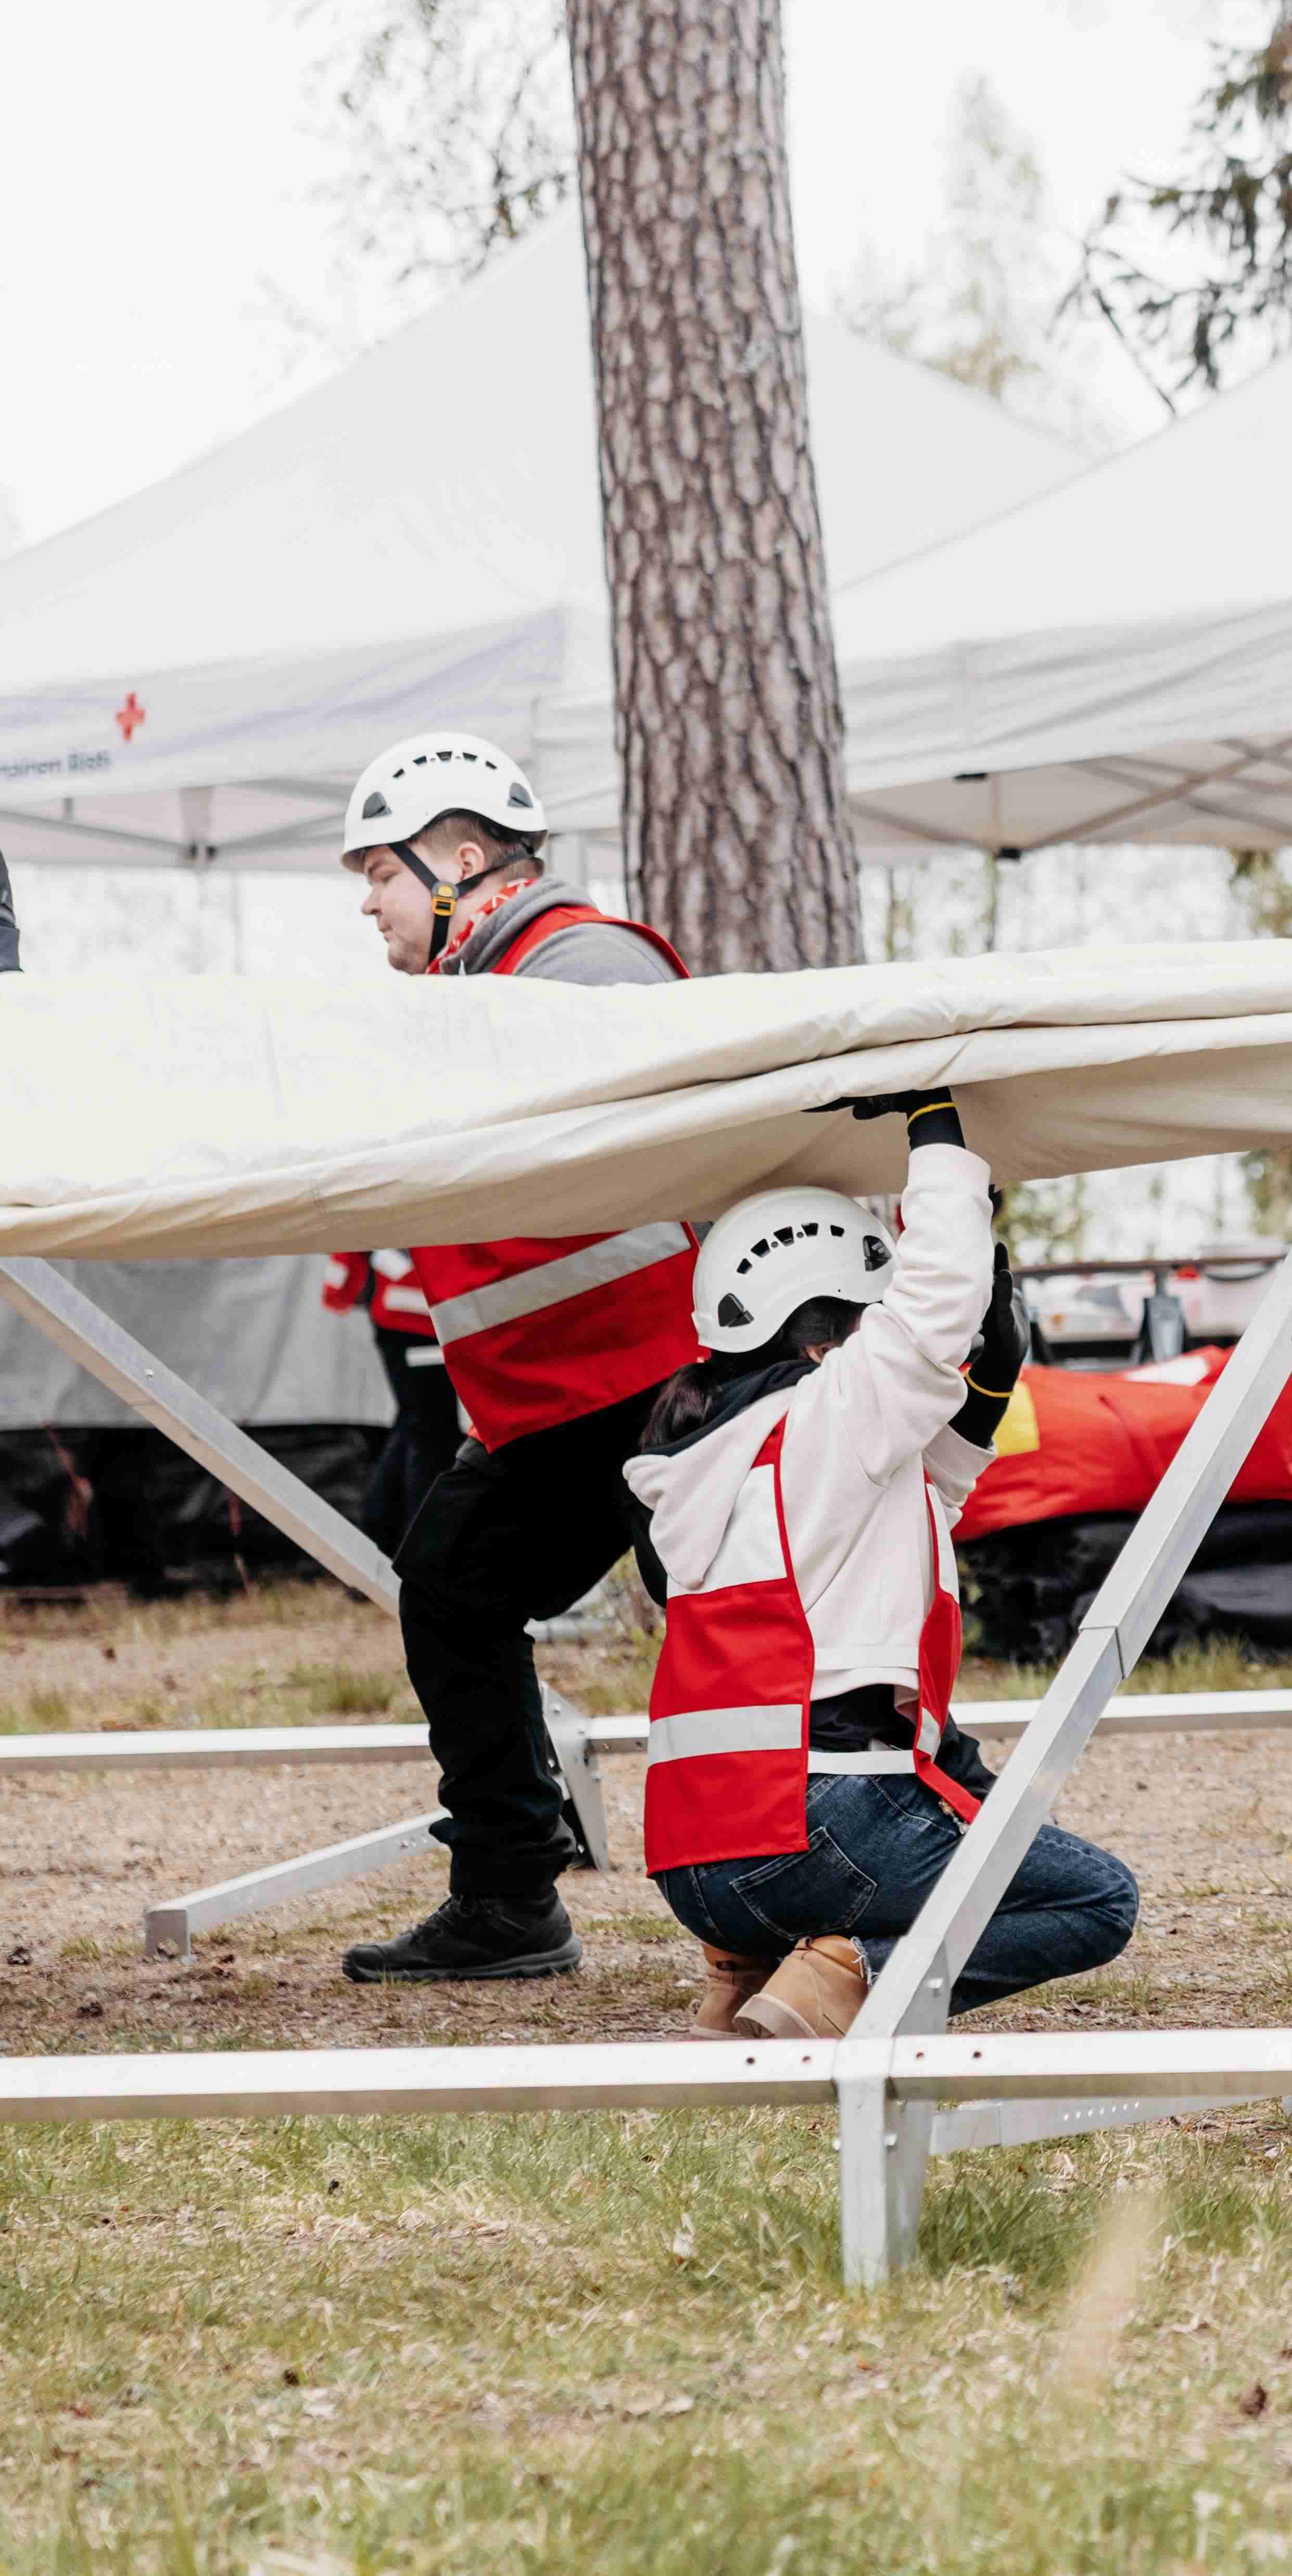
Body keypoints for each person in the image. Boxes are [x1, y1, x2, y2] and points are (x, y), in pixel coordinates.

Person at [625, 1090, 1135, 2036]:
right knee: (1095, 1899)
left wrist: (979, 1396)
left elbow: (916, 1503)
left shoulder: (714, 1460)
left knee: (984, 1833)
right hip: (813, 1829)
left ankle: (749, 1971)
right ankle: (848, 1969)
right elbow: (937, 1297)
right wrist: (935, 1125)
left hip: (694, 1866)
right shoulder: (827, 1409)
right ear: (827, 1336)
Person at [334, 731, 702, 1983]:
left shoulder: (580, 961)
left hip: (678, 1383)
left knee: (735, 1623)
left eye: (378, 872)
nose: (367, 904)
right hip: (579, 1399)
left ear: (464, 857)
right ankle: (507, 1898)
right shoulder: (481, 990)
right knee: (451, 1582)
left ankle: (865, 1865)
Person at [322, 1249, 459, 1552]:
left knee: (415, 1428)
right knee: (430, 1436)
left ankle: (376, 1546)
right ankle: (415, 1551)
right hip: (417, 1313)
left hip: (415, 1310)